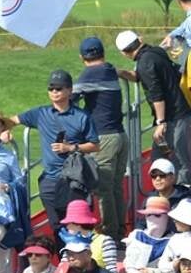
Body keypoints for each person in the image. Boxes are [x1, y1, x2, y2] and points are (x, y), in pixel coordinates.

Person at [10, 69, 100, 232]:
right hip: (49, 180)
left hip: (75, 180)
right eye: (51, 89)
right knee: (56, 226)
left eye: (59, 88)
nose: (54, 92)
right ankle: (63, 257)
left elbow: (95, 145)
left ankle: (81, 256)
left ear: (69, 90)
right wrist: (4, 130)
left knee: (77, 224)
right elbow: (13, 120)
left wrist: (71, 147)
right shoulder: (40, 113)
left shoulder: (82, 117)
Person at [117, 29, 191, 183]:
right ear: (139, 40)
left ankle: (182, 196)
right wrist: (122, 72)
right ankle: (170, 194)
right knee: (161, 157)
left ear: (124, 52)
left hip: (173, 118)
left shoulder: (144, 63)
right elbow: (141, 76)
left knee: (180, 161)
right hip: (179, 112)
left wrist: (160, 122)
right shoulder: (155, 52)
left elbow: (157, 95)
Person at [73, 35, 129, 240]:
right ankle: (120, 230)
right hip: (121, 136)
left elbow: (68, 99)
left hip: (103, 138)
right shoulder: (110, 69)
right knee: (115, 187)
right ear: (103, 53)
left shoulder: (89, 75)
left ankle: (110, 235)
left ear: (82, 57)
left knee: (104, 190)